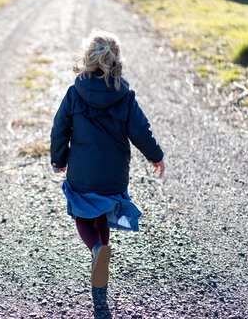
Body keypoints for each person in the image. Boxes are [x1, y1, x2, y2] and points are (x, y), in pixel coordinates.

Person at [50, 30, 165, 289]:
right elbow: (141, 132)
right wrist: (155, 156)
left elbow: (60, 129)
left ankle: (96, 249)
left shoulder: (74, 93)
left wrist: (58, 160)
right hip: (114, 174)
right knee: (101, 211)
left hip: (82, 173)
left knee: (83, 216)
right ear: (117, 62)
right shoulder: (125, 96)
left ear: (87, 59)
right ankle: (102, 254)